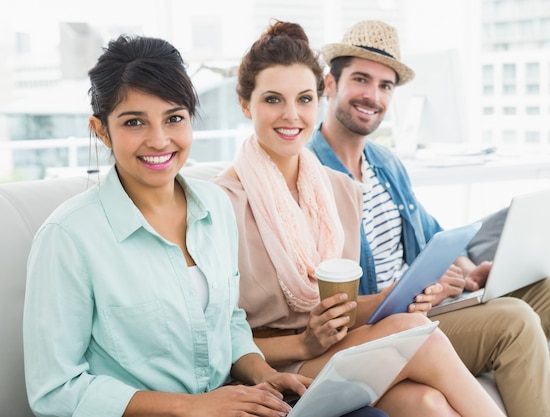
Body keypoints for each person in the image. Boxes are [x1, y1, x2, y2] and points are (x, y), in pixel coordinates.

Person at [22, 34, 386, 417]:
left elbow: (227, 322)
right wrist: (191, 407)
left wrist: (263, 375)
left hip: (229, 401)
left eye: (174, 118)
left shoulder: (213, 205)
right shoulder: (68, 237)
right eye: (134, 122)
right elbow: (55, 390)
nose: (159, 140)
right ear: (101, 130)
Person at [307, 19, 550, 417]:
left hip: (432, 306)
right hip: (391, 327)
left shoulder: (385, 164)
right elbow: (333, 301)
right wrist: (419, 289)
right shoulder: (311, 173)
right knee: (514, 319)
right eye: (361, 79)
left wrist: (469, 270)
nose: (373, 95)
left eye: (385, 85)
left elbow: (434, 237)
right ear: (331, 84)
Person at [212, 20, 505, 417]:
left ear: (319, 99)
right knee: (422, 338)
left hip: (336, 348)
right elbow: (217, 338)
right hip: (273, 366)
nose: (291, 115)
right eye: (272, 100)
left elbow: (342, 311)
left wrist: (391, 299)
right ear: (246, 104)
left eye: (303, 99)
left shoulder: (340, 190)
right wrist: (304, 343)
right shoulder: (220, 205)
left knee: (430, 405)